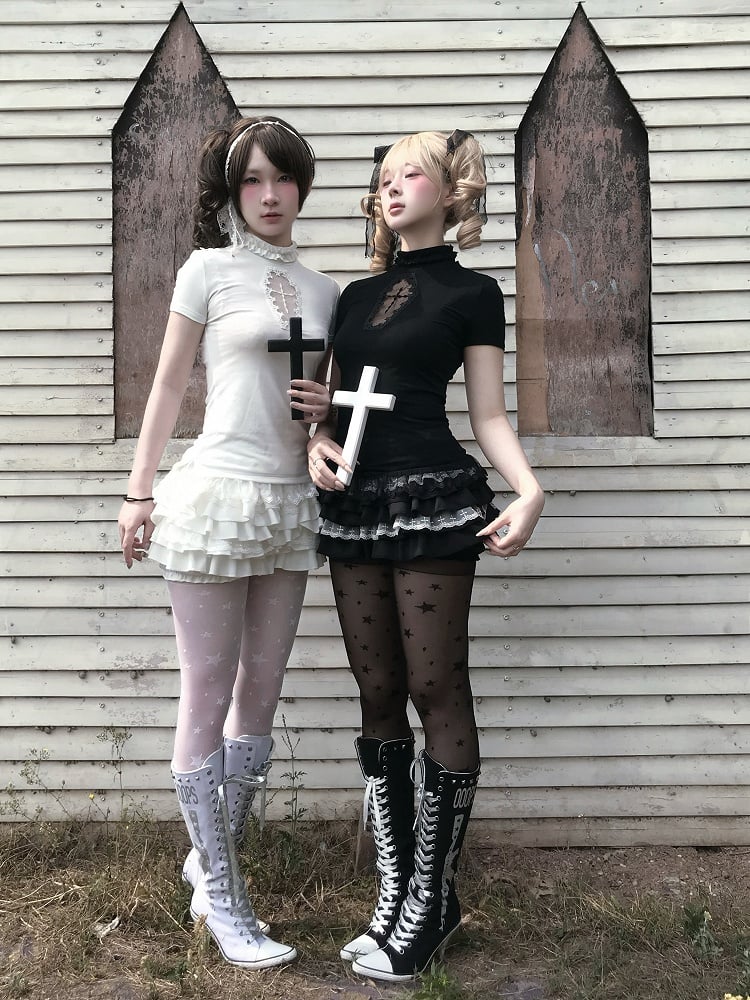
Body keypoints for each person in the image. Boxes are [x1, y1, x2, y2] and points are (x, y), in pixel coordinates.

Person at [306, 129, 545, 982]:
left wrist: (529, 490)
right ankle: (397, 890)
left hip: (433, 498)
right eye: (384, 176)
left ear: (449, 192)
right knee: (377, 691)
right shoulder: (353, 296)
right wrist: (316, 442)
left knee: (435, 686)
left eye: (411, 173)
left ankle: (433, 901)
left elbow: (488, 415)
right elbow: (331, 404)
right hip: (355, 502)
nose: (393, 186)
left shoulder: (473, 292)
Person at [118, 116, 338, 969]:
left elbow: (318, 408)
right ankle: (223, 895)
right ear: (232, 190)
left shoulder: (325, 291)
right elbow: (169, 383)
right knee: (206, 692)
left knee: (262, 693)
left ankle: (210, 862)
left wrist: (324, 421)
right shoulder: (206, 270)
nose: (269, 195)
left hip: (288, 506)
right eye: (252, 180)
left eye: (282, 179)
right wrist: (139, 492)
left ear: (302, 187)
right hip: (214, 500)